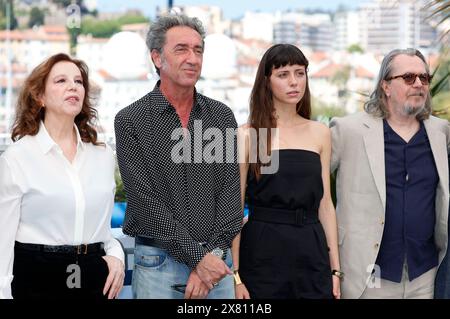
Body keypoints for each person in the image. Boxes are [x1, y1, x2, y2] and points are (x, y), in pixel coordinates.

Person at [114, 14, 242, 299]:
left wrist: (211, 257)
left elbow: (231, 196)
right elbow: (144, 202)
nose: (193, 58)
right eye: (181, 49)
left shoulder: (222, 116)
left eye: (198, 50)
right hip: (158, 264)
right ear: (157, 58)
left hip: (217, 263)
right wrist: (199, 258)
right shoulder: (131, 121)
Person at [0, 53, 125, 299]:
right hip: (35, 276)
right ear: (40, 96)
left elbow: (102, 230)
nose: (73, 86)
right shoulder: (16, 158)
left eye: (79, 82)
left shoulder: (103, 156)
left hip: (94, 276)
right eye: (61, 81)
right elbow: (2, 243)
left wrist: (116, 255)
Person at [330, 48, 450, 299]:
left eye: (424, 78)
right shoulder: (348, 130)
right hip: (369, 275)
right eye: (408, 77)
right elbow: (309, 184)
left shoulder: (441, 132)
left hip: (425, 275)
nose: (418, 84)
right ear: (385, 86)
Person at [231, 44, 341, 299]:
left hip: (311, 252)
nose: (294, 82)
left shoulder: (320, 132)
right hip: (262, 254)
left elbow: (325, 204)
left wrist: (335, 270)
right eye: (283, 75)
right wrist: (236, 276)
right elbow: (235, 210)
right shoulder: (249, 135)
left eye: (300, 73)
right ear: (266, 82)